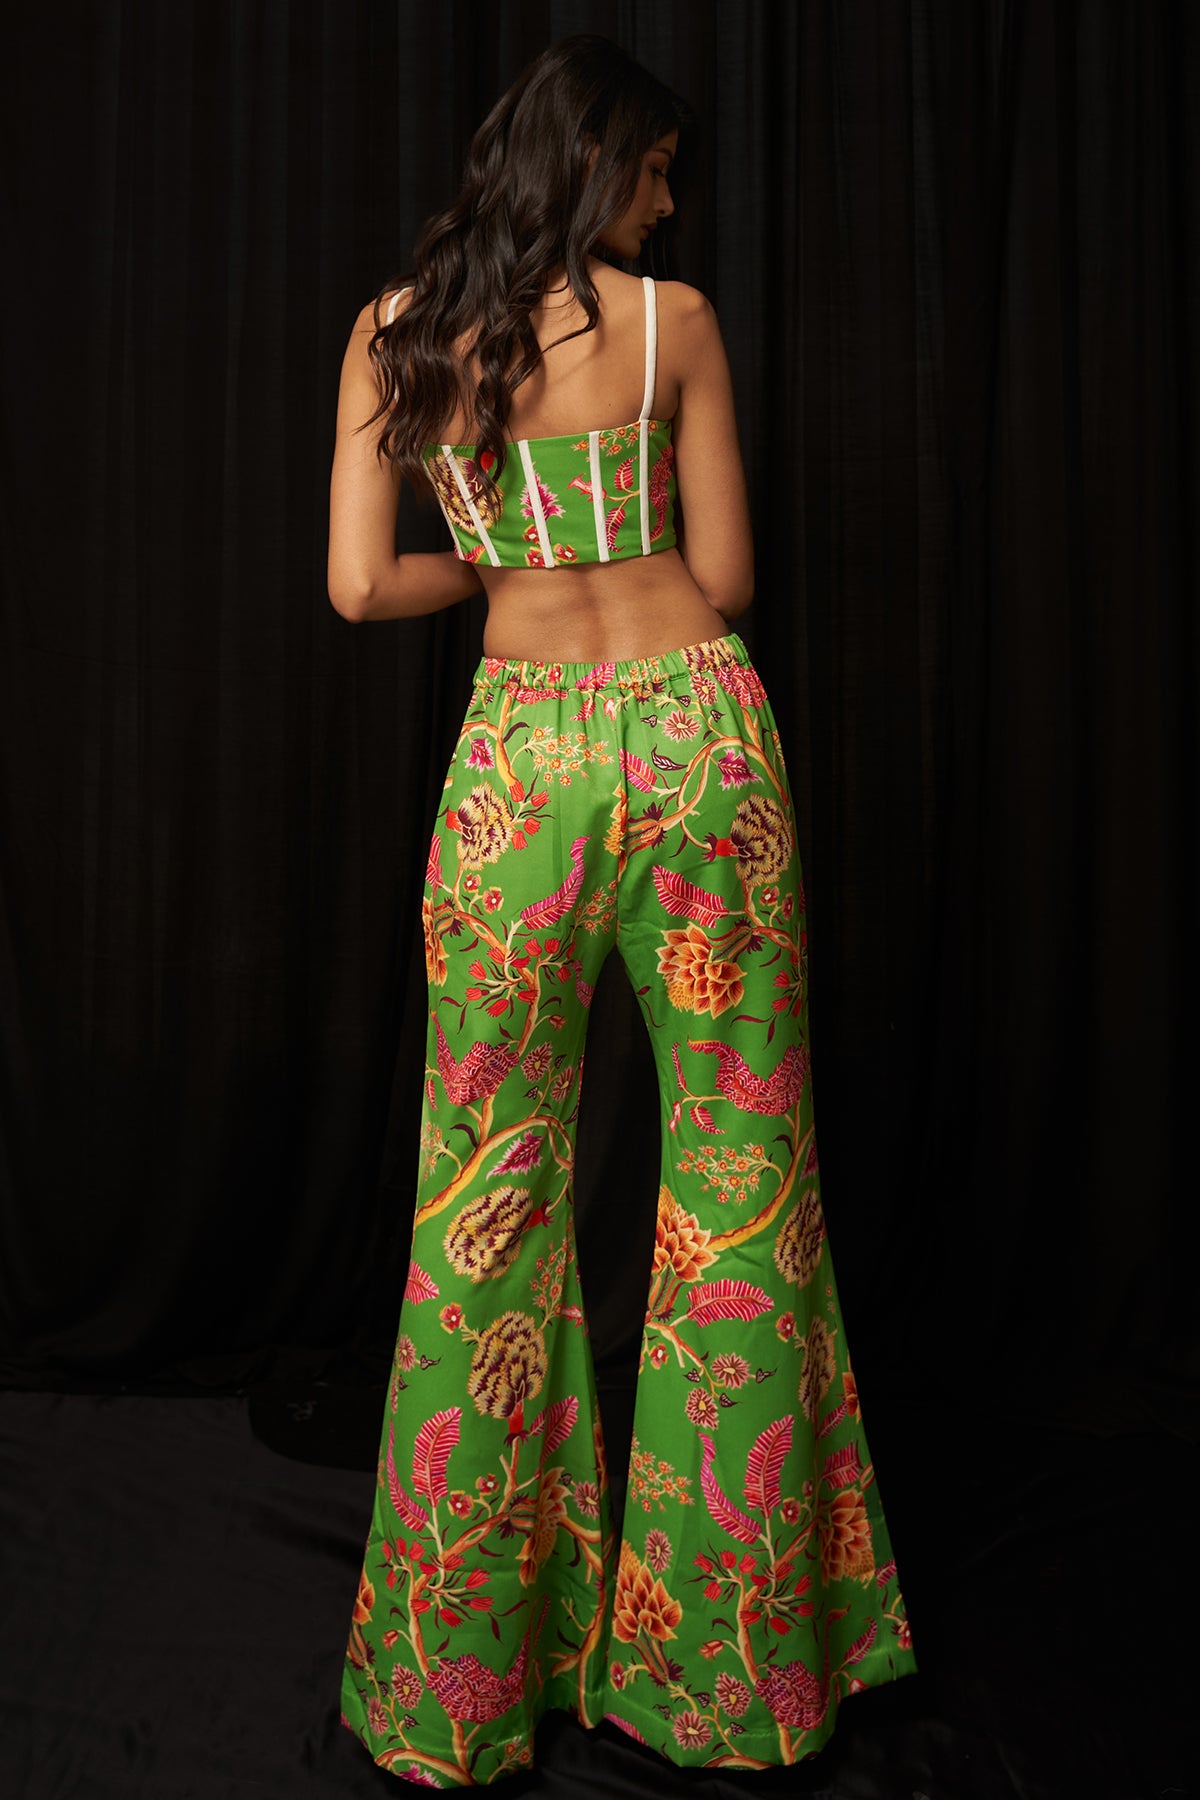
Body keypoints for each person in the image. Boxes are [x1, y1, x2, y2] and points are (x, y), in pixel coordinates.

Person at [329, 34, 916, 1788]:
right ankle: (730, 1680)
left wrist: (498, 559)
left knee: (482, 1197)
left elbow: (359, 586)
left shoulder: (396, 332)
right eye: (655, 168)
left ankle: (452, 1693)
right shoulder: (676, 326)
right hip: (693, 742)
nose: (668, 200)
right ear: (593, 164)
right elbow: (725, 575)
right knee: (740, 1180)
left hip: (519, 770)